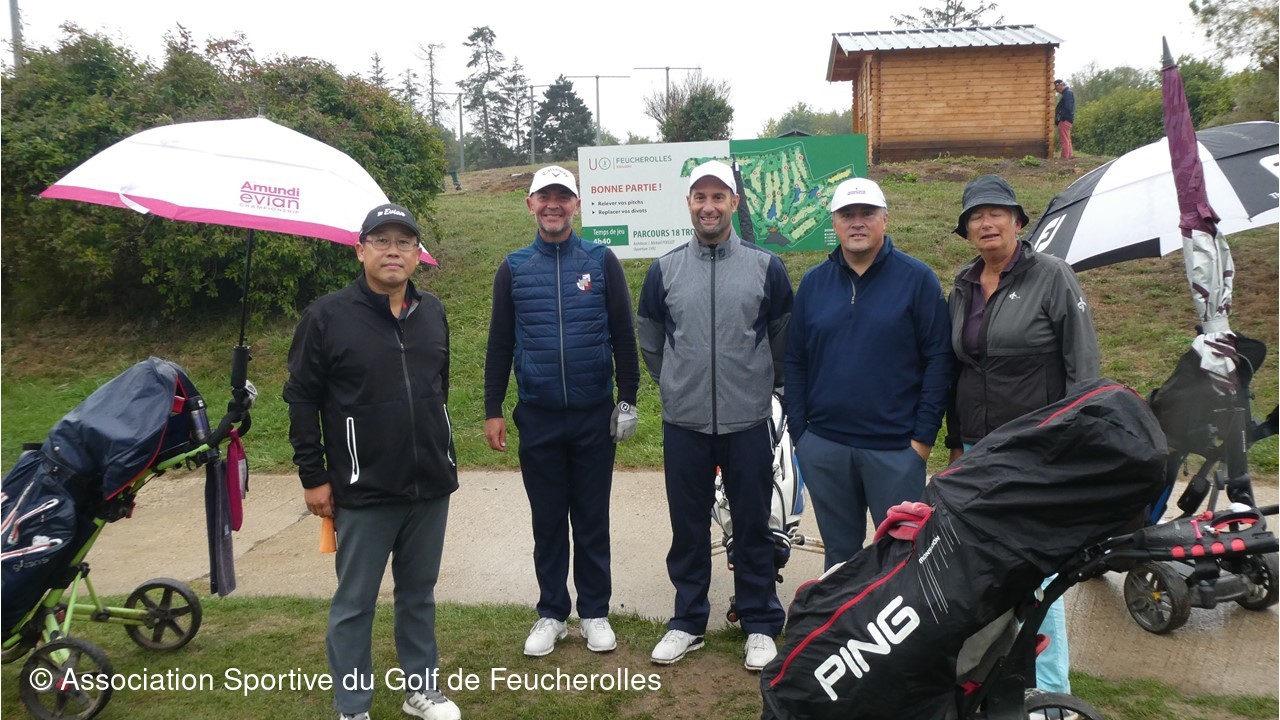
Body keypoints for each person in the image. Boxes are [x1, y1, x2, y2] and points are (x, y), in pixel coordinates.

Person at [284, 203, 461, 720]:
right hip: (362, 488)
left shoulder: (432, 312)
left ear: (417, 254)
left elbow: (438, 387)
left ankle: (421, 690)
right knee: (355, 602)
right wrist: (313, 476)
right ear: (359, 250)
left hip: (429, 483)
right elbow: (301, 399)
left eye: (404, 242)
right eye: (381, 241)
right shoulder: (326, 317)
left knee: (418, 594)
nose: (393, 251)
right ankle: (353, 705)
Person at [944, 174, 1100, 696]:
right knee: (986, 565)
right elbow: (957, 371)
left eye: (996, 212)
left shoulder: (1052, 276)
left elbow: (1083, 365)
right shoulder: (963, 285)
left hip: (1040, 450)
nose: (986, 223)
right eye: (976, 216)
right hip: (979, 452)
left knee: (1037, 569)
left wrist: (1074, 441)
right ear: (967, 229)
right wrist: (956, 443)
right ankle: (994, 675)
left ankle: (1050, 691)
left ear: (1017, 221)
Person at [637, 160, 792, 672]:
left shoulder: (766, 267)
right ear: (689, 203)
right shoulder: (664, 270)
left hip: (747, 421)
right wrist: (675, 382)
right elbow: (651, 338)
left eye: (718, 197)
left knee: (752, 524)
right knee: (687, 527)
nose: (709, 207)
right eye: (700, 197)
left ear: (734, 203)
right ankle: (688, 621)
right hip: (685, 422)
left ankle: (759, 621)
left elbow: (781, 335)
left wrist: (764, 387)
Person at [483, 165, 641, 659]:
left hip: (594, 416)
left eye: (563, 197)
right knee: (548, 521)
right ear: (530, 204)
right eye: (544, 197)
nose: (553, 205)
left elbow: (623, 334)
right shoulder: (513, 268)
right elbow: (500, 343)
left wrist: (628, 398)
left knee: (591, 519)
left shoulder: (601, 260)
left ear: (576, 205)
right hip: (539, 416)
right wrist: (492, 408)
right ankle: (552, 613)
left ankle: (594, 612)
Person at [784, 177, 952, 571]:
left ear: (885, 219)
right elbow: (795, 360)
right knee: (840, 558)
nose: (857, 222)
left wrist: (922, 441)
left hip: (895, 450)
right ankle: (842, 615)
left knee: (902, 560)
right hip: (825, 446)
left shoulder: (917, 279)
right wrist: (801, 436)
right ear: (834, 223)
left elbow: (939, 360)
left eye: (867, 213)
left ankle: (901, 617)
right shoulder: (814, 283)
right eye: (847, 214)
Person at [1054, 79, 1075, 159]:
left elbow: (1068, 107)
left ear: (1060, 85)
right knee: (1067, 139)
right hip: (1067, 119)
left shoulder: (1067, 93)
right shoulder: (1067, 93)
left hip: (1064, 120)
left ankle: (1065, 157)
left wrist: (1060, 116)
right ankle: (1069, 156)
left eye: (1056, 88)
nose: (1056, 91)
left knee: (1064, 140)